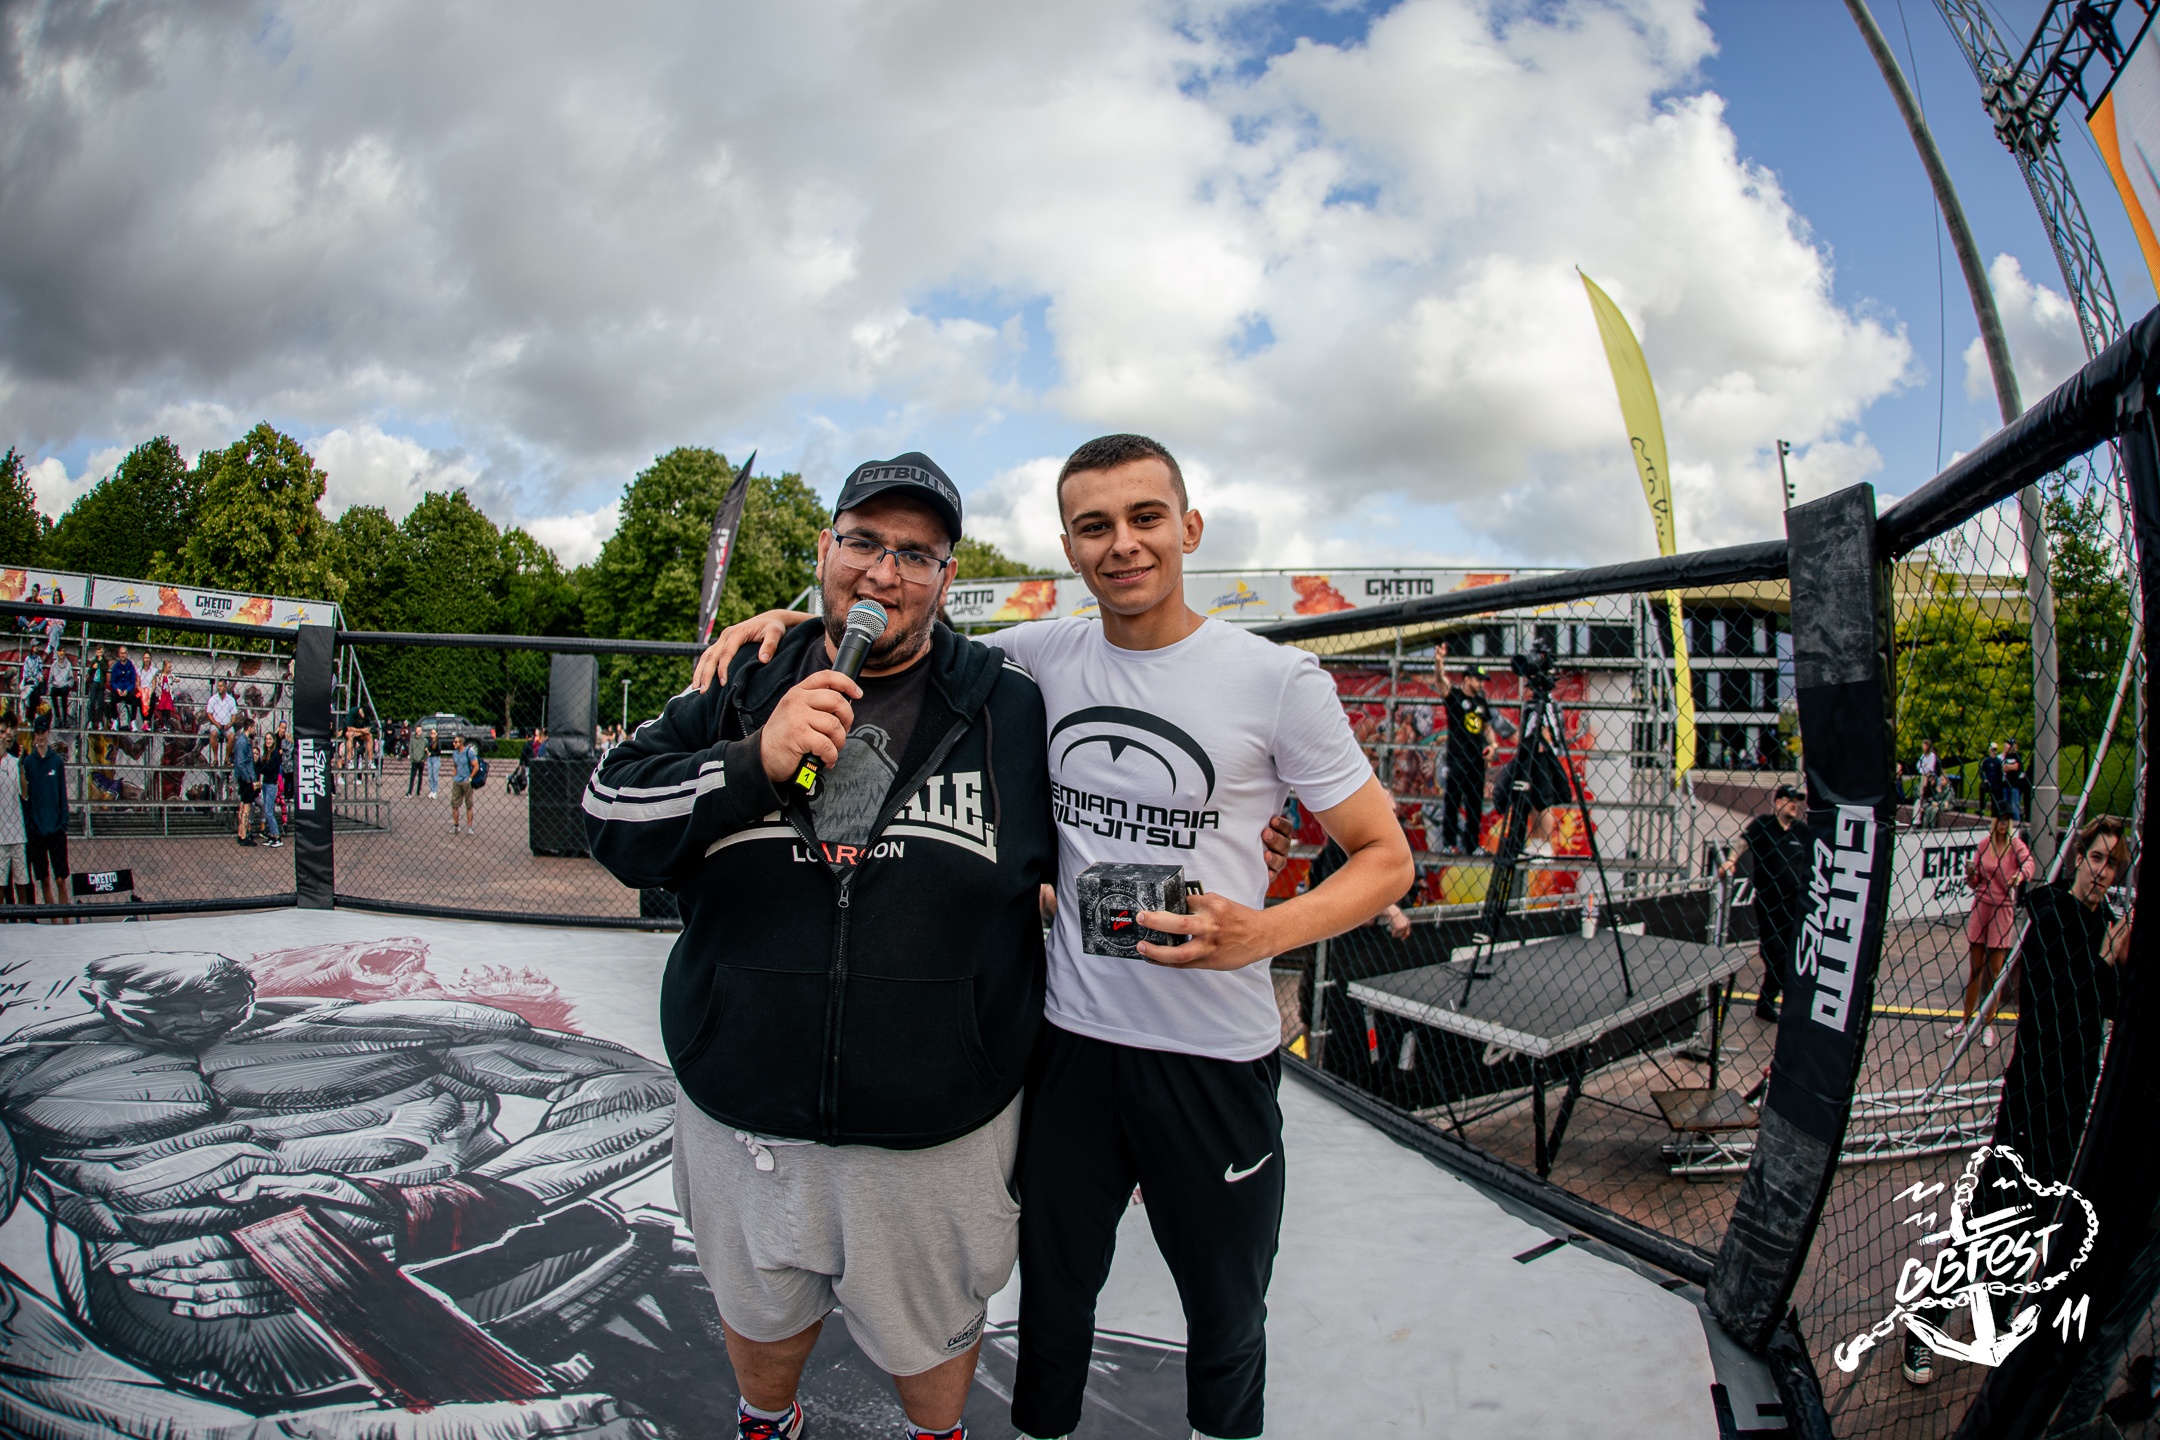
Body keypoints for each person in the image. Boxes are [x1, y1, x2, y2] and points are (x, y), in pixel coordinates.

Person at [699, 436, 1413, 1440]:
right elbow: (902, 627)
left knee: (1225, 1311)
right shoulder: (1038, 660)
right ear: (1070, 549)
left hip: (1213, 1054)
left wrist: (1262, 933)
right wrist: (783, 623)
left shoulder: (1276, 681)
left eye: (1145, 518)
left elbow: (1386, 858)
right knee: (1054, 1308)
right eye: (1094, 527)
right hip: (1072, 1045)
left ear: (1188, 528)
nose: (1123, 544)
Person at [585, 452, 1062, 1440]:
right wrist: (750, 763)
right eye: (863, 544)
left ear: (947, 576)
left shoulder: (1011, 703)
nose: (884, 574)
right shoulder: (743, 678)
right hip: (747, 1108)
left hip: (938, 1126)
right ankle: (769, 1420)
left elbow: (1100, 830)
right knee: (761, 1318)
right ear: (823, 549)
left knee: (932, 1339)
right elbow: (608, 812)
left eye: (916, 555)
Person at [1720, 783, 1808, 1022]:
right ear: (1778, 802)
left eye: (1797, 801)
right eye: (1790, 799)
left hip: (1795, 905)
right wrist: (1731, 860)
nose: (1795, 805)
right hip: (1770, 905)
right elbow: (1742, 842)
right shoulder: (1764, 825)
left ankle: (1772, 1004)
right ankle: (1768, 1004)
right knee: (1775, 954)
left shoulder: (1801, 831)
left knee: (1792, 958)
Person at [1954, 812, 2033, 1048]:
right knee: (1975, 968)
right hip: (1982, 906)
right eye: (1999, 819)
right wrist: (1971, 874)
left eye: (2007, 821)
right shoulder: (1984, 845)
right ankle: (1965, 1021)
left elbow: (2029, 864)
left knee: (1995, 971)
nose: (2002, 825)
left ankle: (1988, 1025)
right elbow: (1975, 881)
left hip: (2002, 909)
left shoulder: (2015, 845)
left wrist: (2019, 876)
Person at [1435, 643, 1496, 852]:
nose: (1481, 683)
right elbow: (1441, 682)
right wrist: (1439, 662)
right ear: (1467, 678)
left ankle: (1472, 845)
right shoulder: (1454, 697)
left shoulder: (1481, 702)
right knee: (1452, 802)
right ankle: (1449, 844)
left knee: (1474, 805)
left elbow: (1487, 726)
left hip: (1476, 759)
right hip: (1457, 758)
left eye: (1482, 680)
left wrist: (1493, 745)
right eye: (1478, 679)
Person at [22, 718, 68, 919]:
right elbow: (26, 796)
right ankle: (53, 921)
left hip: (55, 829)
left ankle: (66, 919)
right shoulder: (29, 762)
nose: (40, 736)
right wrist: (31, 825)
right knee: (44, 880)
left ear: (48, 733)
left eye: (43, 732)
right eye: (37, 732)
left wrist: (63, 823)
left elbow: (62, 794)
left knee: (60, 879)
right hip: (37, 830)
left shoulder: (56, 762)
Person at [0, 732, 25, 913]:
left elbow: (24, 793)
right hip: (0, 837)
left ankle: (25, 922)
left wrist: (21, 768)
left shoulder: (15, 762)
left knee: (22, 885)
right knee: (0, 888)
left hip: (17, 834)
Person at [450, 733, 477, 833]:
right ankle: (456, 825)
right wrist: (454, 775)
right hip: (457, 781)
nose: (454, 743)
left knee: (469, 805)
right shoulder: (455, 753)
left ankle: (469, 827)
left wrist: (470, 778)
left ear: (461, 743)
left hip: (466, 780)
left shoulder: (468, 752)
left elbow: (476, 766)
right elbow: (455, 765)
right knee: (454, 804)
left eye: (456, 742)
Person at [109, 645, 138, 729]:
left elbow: (133, 682)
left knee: (134, 699)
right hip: (118, 690)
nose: (123, 655)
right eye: (121, 653)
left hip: (127, 690)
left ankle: (133, 721)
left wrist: (127, 690)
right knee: (112, 698)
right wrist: (117, 689)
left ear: (127, 654)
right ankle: (115, 720)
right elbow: (112, 682)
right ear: (119, 654)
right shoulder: (115, 667)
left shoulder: (131, 666)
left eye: (124, 653)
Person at [46, 648, 74, 729]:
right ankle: (58, 718)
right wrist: (50, 686)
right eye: (60, 651)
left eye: (63, 651)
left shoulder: (68, 664)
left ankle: (64, 719)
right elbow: (50, 679)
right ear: (57, 653)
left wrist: (68, 684)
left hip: (64, 686)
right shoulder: (54, 664)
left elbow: (71, 678)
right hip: (56, 686)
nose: (61, 653)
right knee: (53, 693)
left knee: (64, 695)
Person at [1914, 738, 1940, 826]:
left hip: (1928, 775)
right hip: (1923, 775)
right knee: (1920, 796)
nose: (1923, 748)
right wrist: (1923, 768)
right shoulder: (1923, 756)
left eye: (1924, 747)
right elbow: (1918, 765)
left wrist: (1924, 768)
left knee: (1923, 793)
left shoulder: (1932, 756)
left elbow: (1930, 767)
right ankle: (1917, 820)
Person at [2001, 738, 2026, 823]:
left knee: (2014, 806)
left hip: (2015, 784)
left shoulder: (2018, 755)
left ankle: (2016, 822)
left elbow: (2016, 767)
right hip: (2007, 783)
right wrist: (2010, 767)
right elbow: (2004, 768)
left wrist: (2009, 767)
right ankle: (2008, 822)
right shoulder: (2007, 756)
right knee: (2006, 805)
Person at [1980, 741, 2006, 818]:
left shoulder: (1998, 761)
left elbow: (2000, 774)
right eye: (1992, 750)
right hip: (1988, 782)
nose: (1993, 752)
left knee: (1995, 798)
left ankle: (1993, 814)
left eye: (1995, 750)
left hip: (1995, 784)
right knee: (1981, 788)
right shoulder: (1986, 761)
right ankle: (1982, 808)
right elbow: (1981, 771)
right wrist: (1984, 779)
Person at [426, 726, 444, 799]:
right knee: (430, 776)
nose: (433, 735)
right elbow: (428, 749)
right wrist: (427, 751)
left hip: (435, 758)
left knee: (435, 775)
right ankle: (432, 790)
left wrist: (432, 753)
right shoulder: (429, 741)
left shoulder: (438, 742)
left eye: (434, 733)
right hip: (429, 759)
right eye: (432, 733)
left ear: (436, 734)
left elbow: (439, 752)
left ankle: (435, 791)